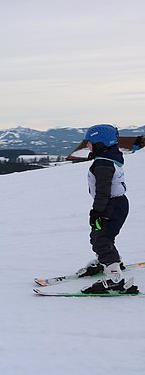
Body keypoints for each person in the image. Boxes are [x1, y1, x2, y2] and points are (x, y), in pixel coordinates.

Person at [79, 125, 138, 294]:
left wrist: (97, 211)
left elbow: (103, 191)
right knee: (103, 235)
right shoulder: (110, 157)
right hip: (117, 204)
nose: (87, 146)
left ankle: (115, 279)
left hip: (110, 205)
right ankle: (110, 261)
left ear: (100, 143)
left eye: (89, 143)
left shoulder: (103, 164)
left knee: (101, 238)